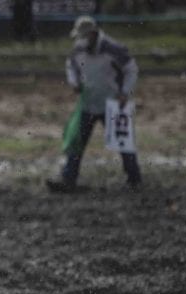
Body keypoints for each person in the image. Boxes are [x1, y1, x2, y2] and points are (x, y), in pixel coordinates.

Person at [47, 16, 142, 193]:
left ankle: (134, 179)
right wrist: (74, 82)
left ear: (92, 34)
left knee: (123, 141)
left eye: (83, 37)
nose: (80, 41)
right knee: (77, 141)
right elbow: (71, 66)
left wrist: (124, 92)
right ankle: (68, 178)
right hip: (88, 103)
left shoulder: (114, 49)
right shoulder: (78, 50)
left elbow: (131, 69)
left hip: (113, 103)